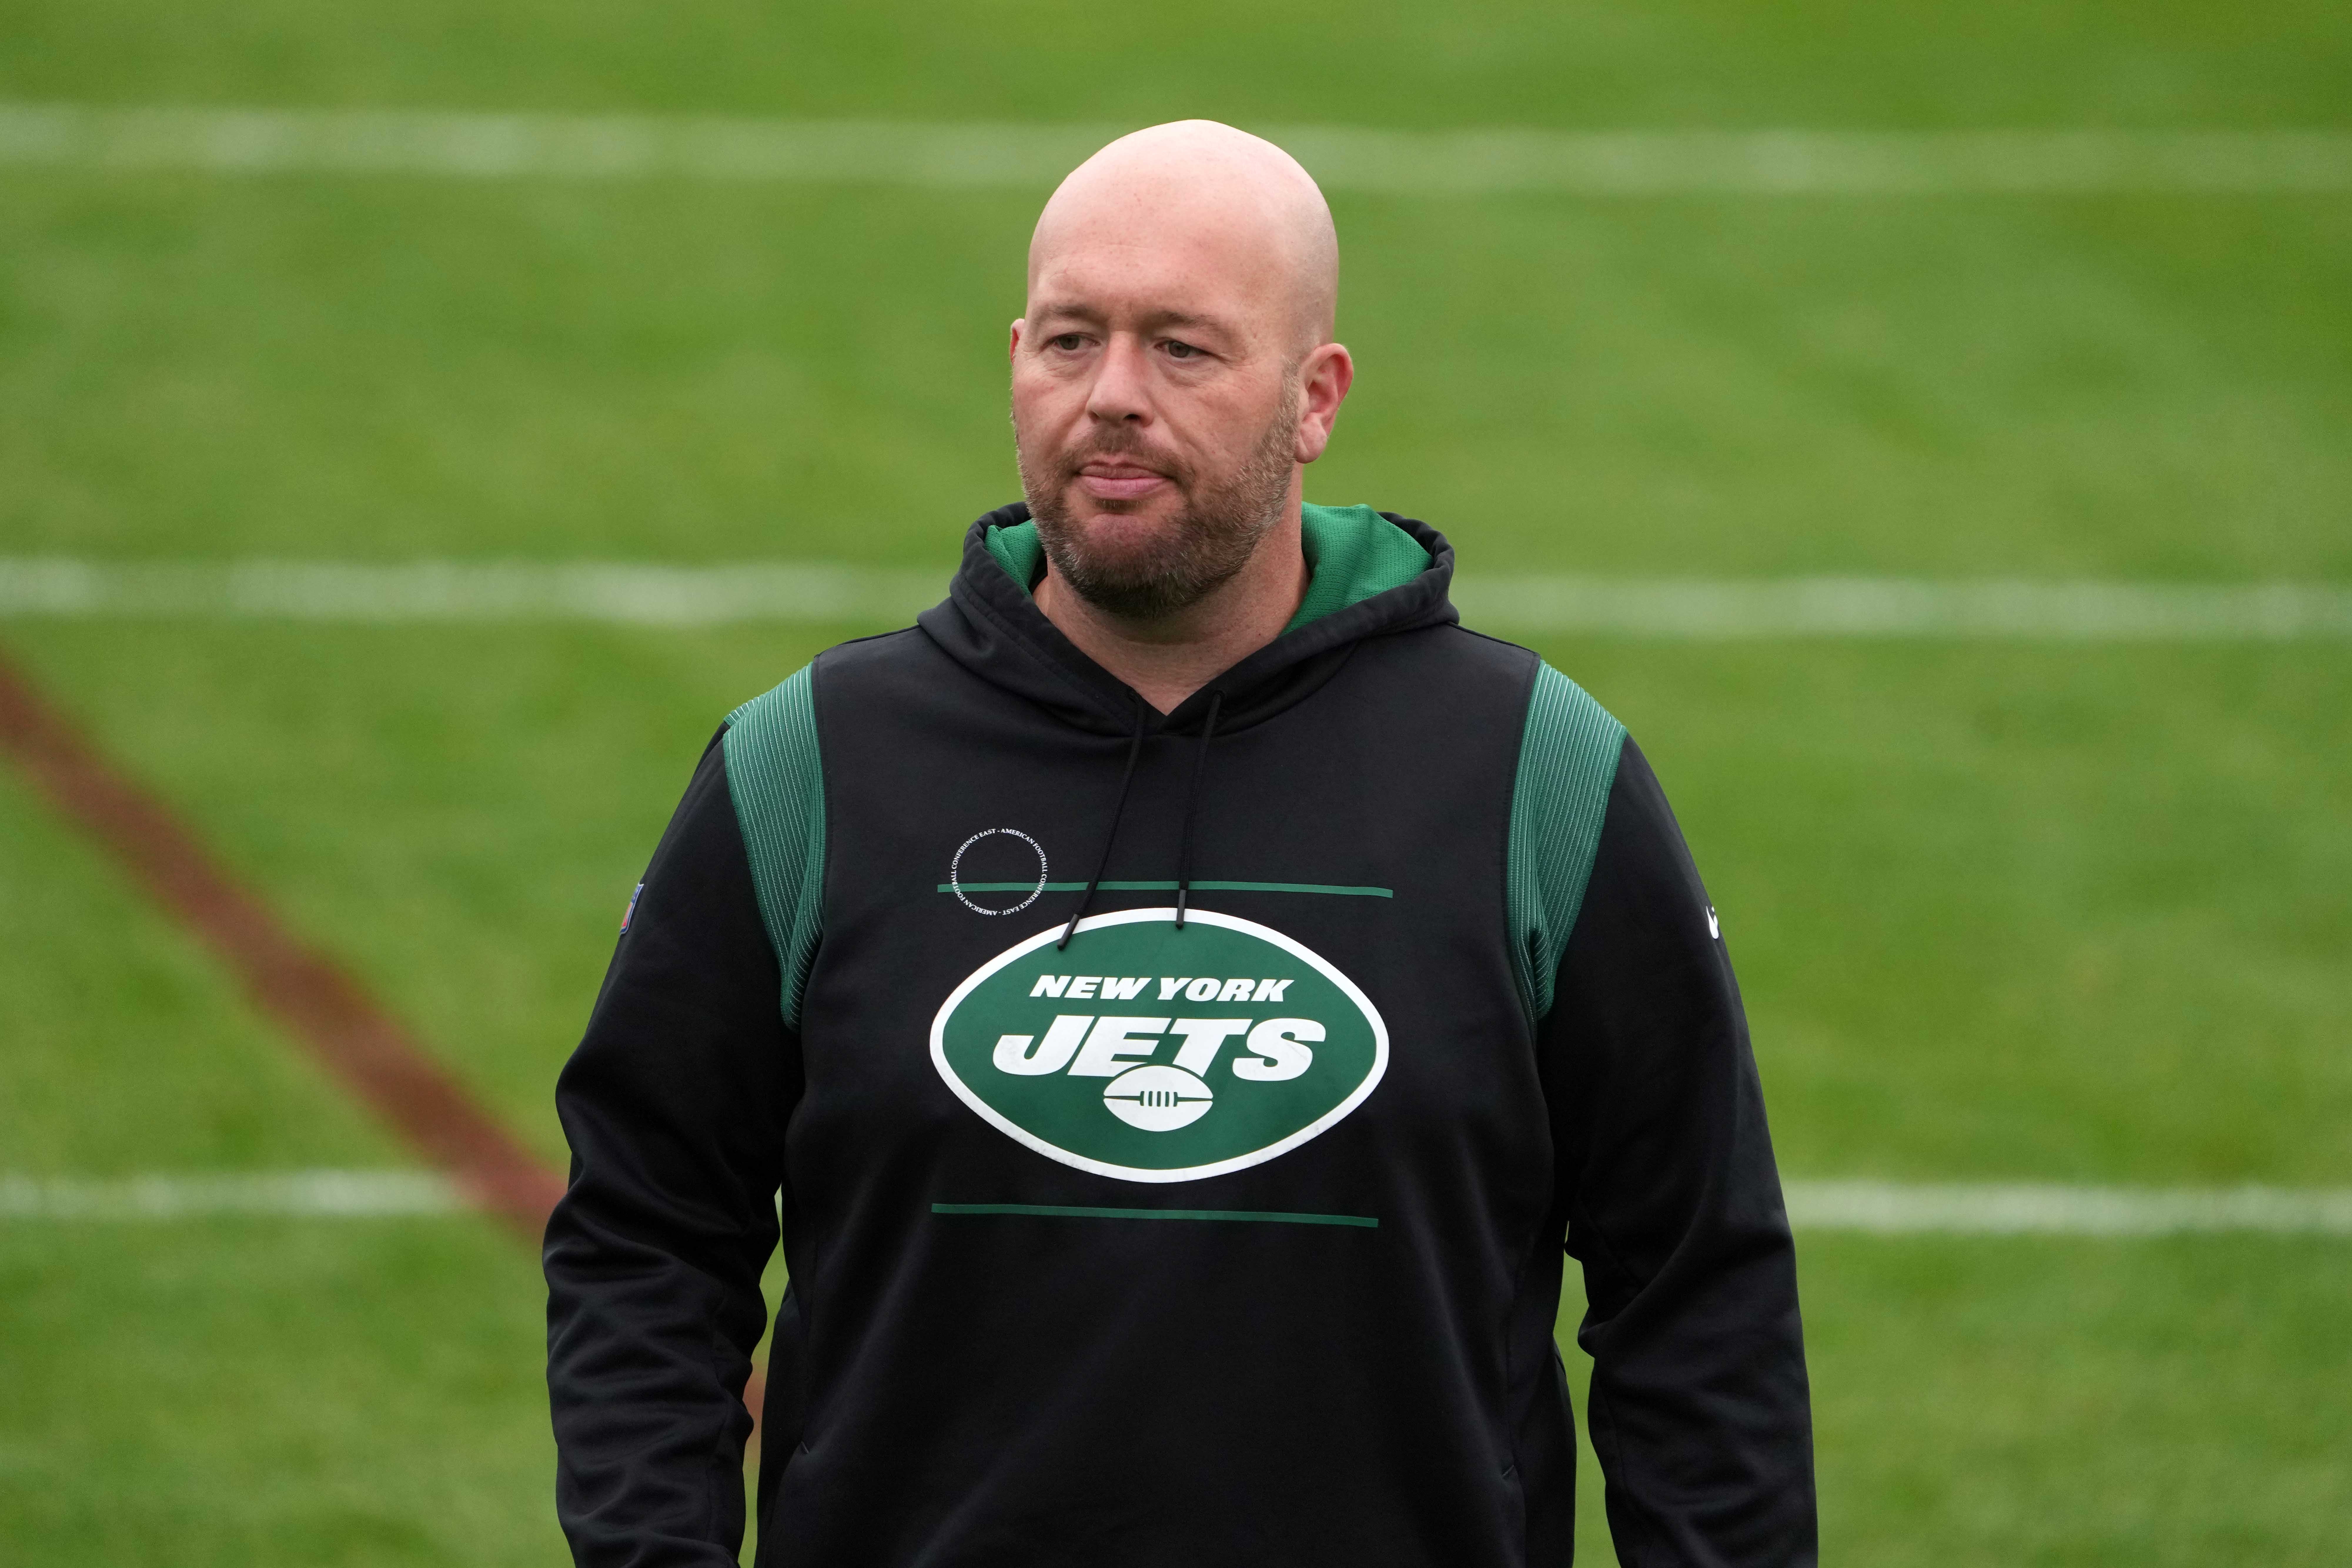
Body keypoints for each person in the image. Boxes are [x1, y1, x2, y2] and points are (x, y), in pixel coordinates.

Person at [545, 120, 1815, 1567]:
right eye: (1071, 342)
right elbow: (647, 1235)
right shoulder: (809, 766)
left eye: (1185, 350)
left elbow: (1696, 1285)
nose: (1112, 399)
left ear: (1315, 395)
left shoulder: (1536, 773)